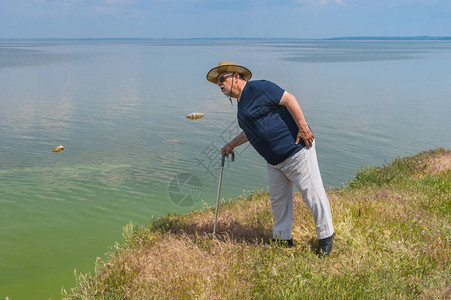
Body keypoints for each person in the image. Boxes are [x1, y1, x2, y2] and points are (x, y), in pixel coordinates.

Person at [206, 62, 335, 256]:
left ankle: (326, 236)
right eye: (218, 83)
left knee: (312, 193)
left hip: (296, 151)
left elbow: (290, 99)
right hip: (274, 160)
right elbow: (251, 131)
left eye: (222, 79)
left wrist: (303, 127)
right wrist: (231, 144)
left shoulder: (260, 88)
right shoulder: (242, 103)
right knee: (278, 200)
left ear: (236, 76)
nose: (220, 85)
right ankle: (282, 238)